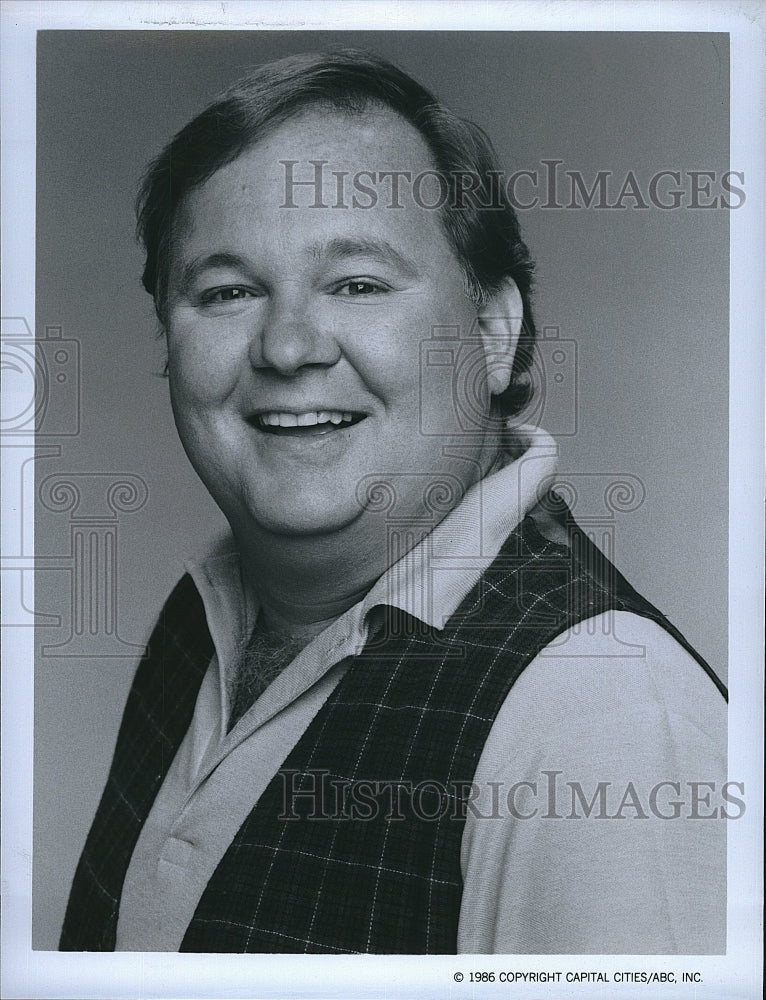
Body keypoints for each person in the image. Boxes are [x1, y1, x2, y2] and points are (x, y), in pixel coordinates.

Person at [59, 48, 727, 955]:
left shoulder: (600, 716)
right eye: (227, 291)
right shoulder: (200, 622)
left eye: (359, 284)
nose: (288, 346)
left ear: (494, 331)